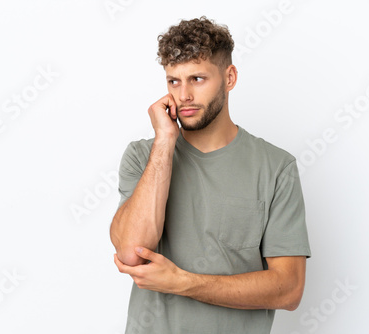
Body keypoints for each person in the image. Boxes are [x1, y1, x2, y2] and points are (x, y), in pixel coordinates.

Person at [109, 16, 311, 334]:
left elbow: (288, 289)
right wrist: (164, 142)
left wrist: (183, 283)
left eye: (197, 79)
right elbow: (132, 253)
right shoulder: (142, 156)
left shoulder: (277, 168)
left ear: (229, 77)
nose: (184, 95)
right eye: (173, 81)